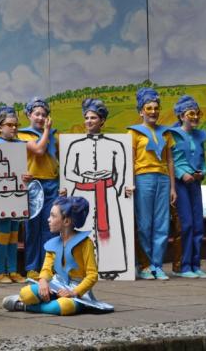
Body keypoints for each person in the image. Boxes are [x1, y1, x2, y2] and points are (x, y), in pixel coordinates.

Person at [2, 196, 113, 316]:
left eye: (53, 216)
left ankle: (24, 306)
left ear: (66, 221)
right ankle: (40, 300)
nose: (48, 219)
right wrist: (43, 281)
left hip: (77, 290)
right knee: (26, 293)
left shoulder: (85, 243)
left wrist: (74, 292)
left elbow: (92, 275)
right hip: (56, 284)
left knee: (63, 307)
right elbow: (46, 268)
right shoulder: (52, 244)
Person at [62, 99, 129, 280]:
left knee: (110, 230)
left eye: (93, 118)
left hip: (107, 194)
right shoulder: (76, 146)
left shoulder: (116, 145)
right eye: (87, 118)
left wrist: (118, 190)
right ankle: (80, 267)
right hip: (82, 194)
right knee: (82, 227)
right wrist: (86, 178)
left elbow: (120, 173)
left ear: (102, 120)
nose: (89, 121)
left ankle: (109, 266)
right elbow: (69, 172)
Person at [128, 87, 176, 280]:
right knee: (145, 223)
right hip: (143, 178)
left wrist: (173, 187)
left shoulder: (166, 133)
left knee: (162, 223)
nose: (153, 111)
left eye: (156, 108)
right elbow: (130, 160)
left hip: (163, 179)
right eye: (149, 108)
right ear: (141, 111)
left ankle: (157, 265)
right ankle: (145, 265)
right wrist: (131, 183)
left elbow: (170, 160)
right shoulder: (133, 133)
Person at [0, 105, 31, 284]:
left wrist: (27, 176)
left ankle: (12, 270)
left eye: (15, 125)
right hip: (0, 194)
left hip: (17, 193)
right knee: (4, 231)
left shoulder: (21, 145)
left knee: (14, 232)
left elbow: (24, 168)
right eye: (9, 125)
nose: (14, 128)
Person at [169, 95, 206, 279]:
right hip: (181, 184)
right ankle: (184, 266)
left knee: (198, 224)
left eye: (197, 113)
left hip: (195, 183)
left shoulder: (199, 136)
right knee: (186, 224)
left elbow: (203, 160)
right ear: (181, 116)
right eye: (191, 114)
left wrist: (203, 172)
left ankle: (195, 264)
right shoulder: (173, 135)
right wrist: (181, 174)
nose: (195, 117)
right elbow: (169, 160)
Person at [17, 97, 58, 280]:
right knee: (32, 227)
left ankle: (47, 267)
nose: (40, 118)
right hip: (33, 184)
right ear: (29, 115)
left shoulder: (54, 136)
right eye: (37, 114)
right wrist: (47, 131)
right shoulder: (23, 135)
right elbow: (39, 151)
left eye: (43, 114)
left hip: (52, 183)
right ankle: (32, 267)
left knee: (51, 226)